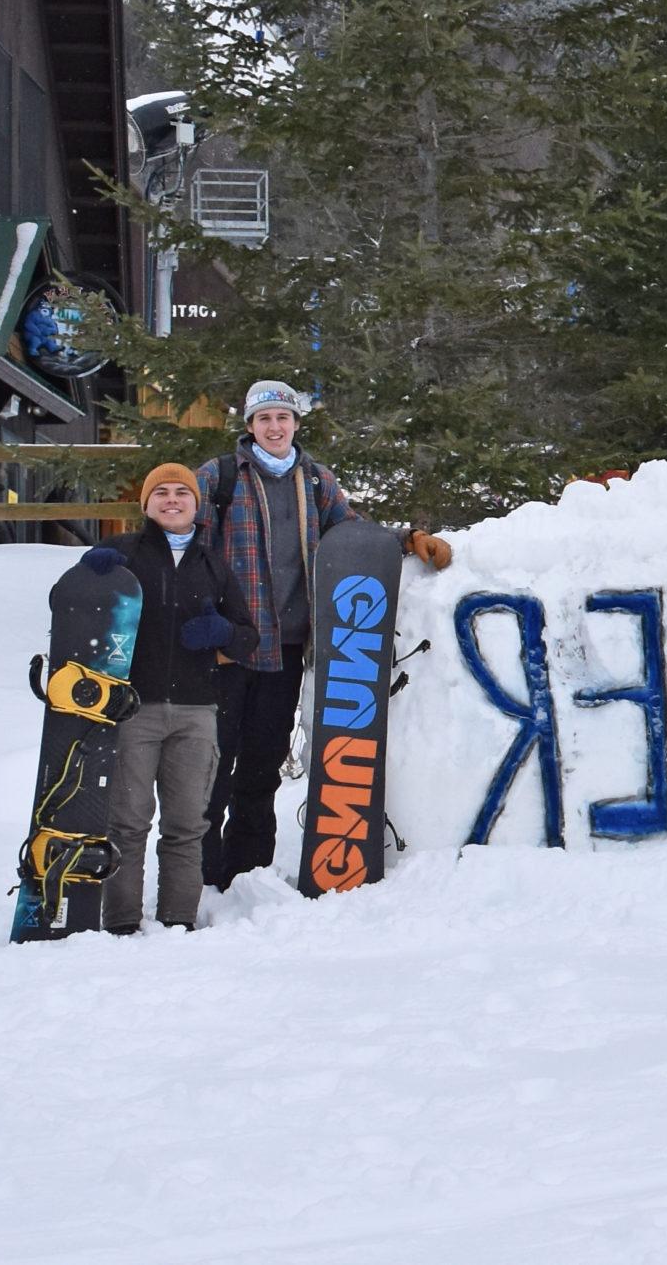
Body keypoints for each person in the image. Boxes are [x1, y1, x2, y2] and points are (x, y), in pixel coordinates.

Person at [196, 380, 450, 888]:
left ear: (295, 424)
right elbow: (189, 544)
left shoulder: (315, 480)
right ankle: (198, 878)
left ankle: (246, 875)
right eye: (264, 418)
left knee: (262, 769)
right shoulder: (220, 478)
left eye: (283, 418)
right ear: (249, 426)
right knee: (210, 770)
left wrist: (408, 540)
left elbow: (353, 534)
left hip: (286, 650)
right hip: (229, 650)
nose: (274, 427)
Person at [88, 464, 245, 933]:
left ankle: (179, 921)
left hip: (197, 714)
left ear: (196, 506)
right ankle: (120, 921)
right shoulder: (122, 553)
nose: (172, 500)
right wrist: (87, 573)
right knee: (128, 824)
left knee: (186, 826)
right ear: (147, 504)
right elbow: (70, 605)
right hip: (134, 710)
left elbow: (249, 638)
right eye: (162, 492)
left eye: (182, 493)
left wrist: (223, 631)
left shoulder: (214, 563)